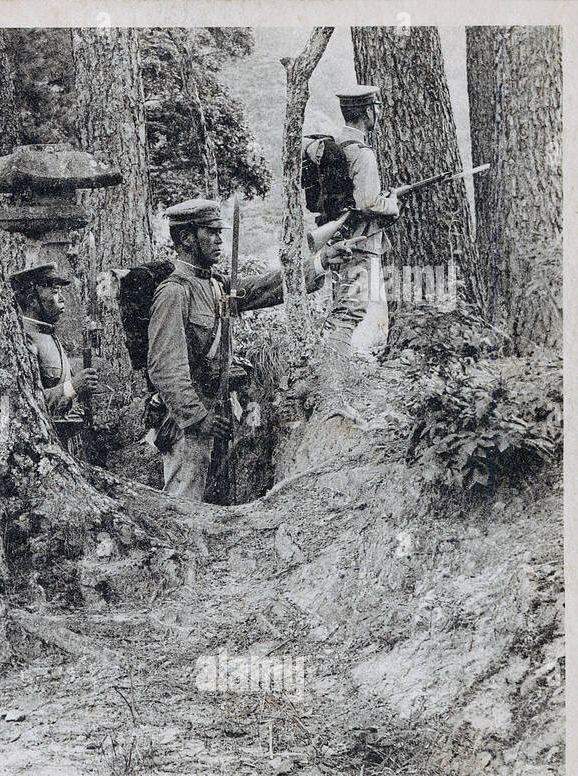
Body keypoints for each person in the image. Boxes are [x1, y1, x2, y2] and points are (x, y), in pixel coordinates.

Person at [145, 199, 344, 500]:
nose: (219, 240)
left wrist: (319, 262)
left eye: (220, 232)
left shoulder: (214, 285)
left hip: (218, 414)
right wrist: (199, 418)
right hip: (188, 426)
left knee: (219, 505)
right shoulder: (174, 292)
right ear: (186, 238)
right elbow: (165, 368)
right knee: (184, 505)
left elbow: (263, 288)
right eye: (210, 233)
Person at [325, 84, 399, 358]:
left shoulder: (337, 145)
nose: (377, 113)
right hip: (359, 243)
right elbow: (368, 203)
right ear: (368, 111)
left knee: (341, 306)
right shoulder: (362, 153)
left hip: (338, 241)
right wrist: (391, 204)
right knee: (351, 311)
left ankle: (329, 364)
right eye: (376, 108)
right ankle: (331, 372)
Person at [10, 261, 98, 445]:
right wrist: (73, 387)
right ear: (32, 300)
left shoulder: (49, 335)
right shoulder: (25, 340)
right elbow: (27, 403)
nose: (62, 298)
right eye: (55, 292)